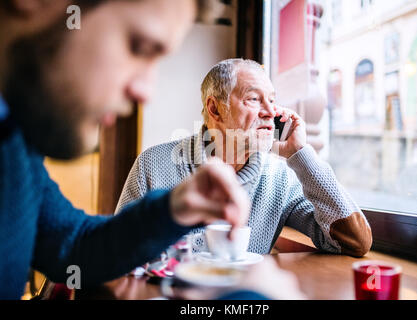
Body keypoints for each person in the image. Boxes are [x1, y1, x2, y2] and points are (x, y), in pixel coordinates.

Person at [0, 0, 304, 300]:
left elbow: (74, 248)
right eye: (138, 47)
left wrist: (174, 210)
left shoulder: (14, 144)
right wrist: (252, 299)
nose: (145, 91)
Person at [117, 58, 373, 258]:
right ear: (215, 109)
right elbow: (119, 253)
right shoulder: (153, 165)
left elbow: (354, 242)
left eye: (272, 100)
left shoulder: (279, 178)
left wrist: (300, 154)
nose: (271, 112)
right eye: (253, 99)